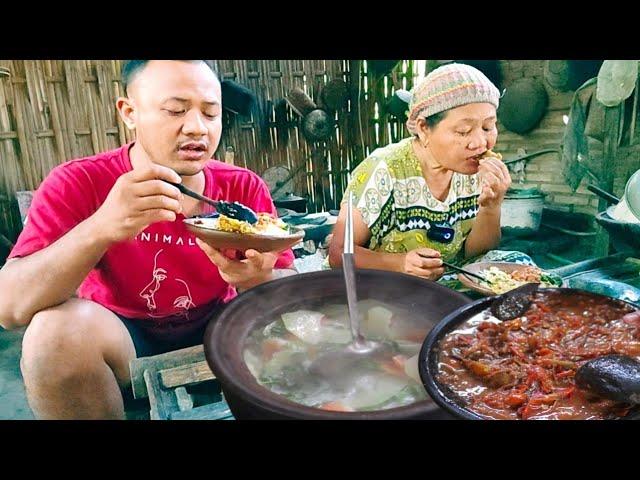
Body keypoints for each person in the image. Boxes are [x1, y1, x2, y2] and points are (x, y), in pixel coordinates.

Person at [0, 60, 296, 419]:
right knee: (54, 335)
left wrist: (258, 278)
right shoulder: (79, 182)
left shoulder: (242, 187)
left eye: (211, 113)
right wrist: (101, 226)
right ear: (129, 112)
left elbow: (288, 289)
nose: (196, 128)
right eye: (175, 110)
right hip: (123, 338)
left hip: (220, 328)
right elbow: (9, 307)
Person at [329, 63, 518, 282]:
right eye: (463, 131)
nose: (480, 143)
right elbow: (338, 253)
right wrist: (400, 263)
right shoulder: (384, 169)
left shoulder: (475, 170)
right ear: (423, 128)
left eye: (488, 127)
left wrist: (491, 207)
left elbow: (476, 257)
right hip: (382, 288)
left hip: (447, 286)